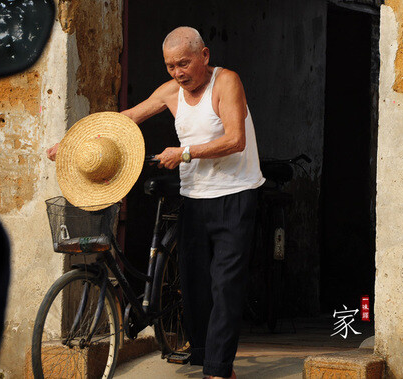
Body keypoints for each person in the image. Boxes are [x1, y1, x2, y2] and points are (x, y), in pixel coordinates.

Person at [47, 26, 264, 379]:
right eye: (170, 66)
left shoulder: (226, 82)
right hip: (194, 198)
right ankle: (204, 356)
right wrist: (70, 142)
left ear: (204, 56)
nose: (178, 73)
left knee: (225, 285)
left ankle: (219, 370)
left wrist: (185, 153)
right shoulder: (171, 92)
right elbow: (126, 118)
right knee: (194, 286)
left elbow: (236, 139)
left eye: (184, 63)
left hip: (235, 195)